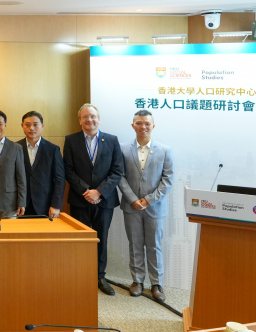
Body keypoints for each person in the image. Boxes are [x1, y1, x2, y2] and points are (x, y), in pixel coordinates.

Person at [63, 104, 124, 296]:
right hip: (80, 199)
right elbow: (68, 170)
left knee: (101, 238)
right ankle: (81, 275)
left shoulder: (112, 140)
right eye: (85, 117)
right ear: (79, 120)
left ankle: (100, 276)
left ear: (99, 119)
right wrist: (86, 191)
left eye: (93, 116)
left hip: (105, 200)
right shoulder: (71, 140)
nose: (89, 120)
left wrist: (99, 192)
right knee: (80, 240)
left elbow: (117, 171)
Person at [118, 109, 174, 302]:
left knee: (154, 246)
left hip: (155, 208)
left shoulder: (165, 150)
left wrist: (148, 200)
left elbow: (167, 180)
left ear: (153, 126)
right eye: (139, 123)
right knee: (134, 244)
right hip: (131, 206)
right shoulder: (123, 149)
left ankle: (156, 283)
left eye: (147, 123)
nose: (143, 127)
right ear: (133, 125)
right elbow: (120, 176)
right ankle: (137, 281)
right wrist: (133, 199)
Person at [17, 111, 65, 219]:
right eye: (27, 125)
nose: (31, 128)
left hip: (45, 204)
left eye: (35, 124)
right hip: (21, 205)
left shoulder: (53, 149)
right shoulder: (15, 148)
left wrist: (56, 205)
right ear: (22, 126)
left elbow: (60, 179)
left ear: (42, 126)